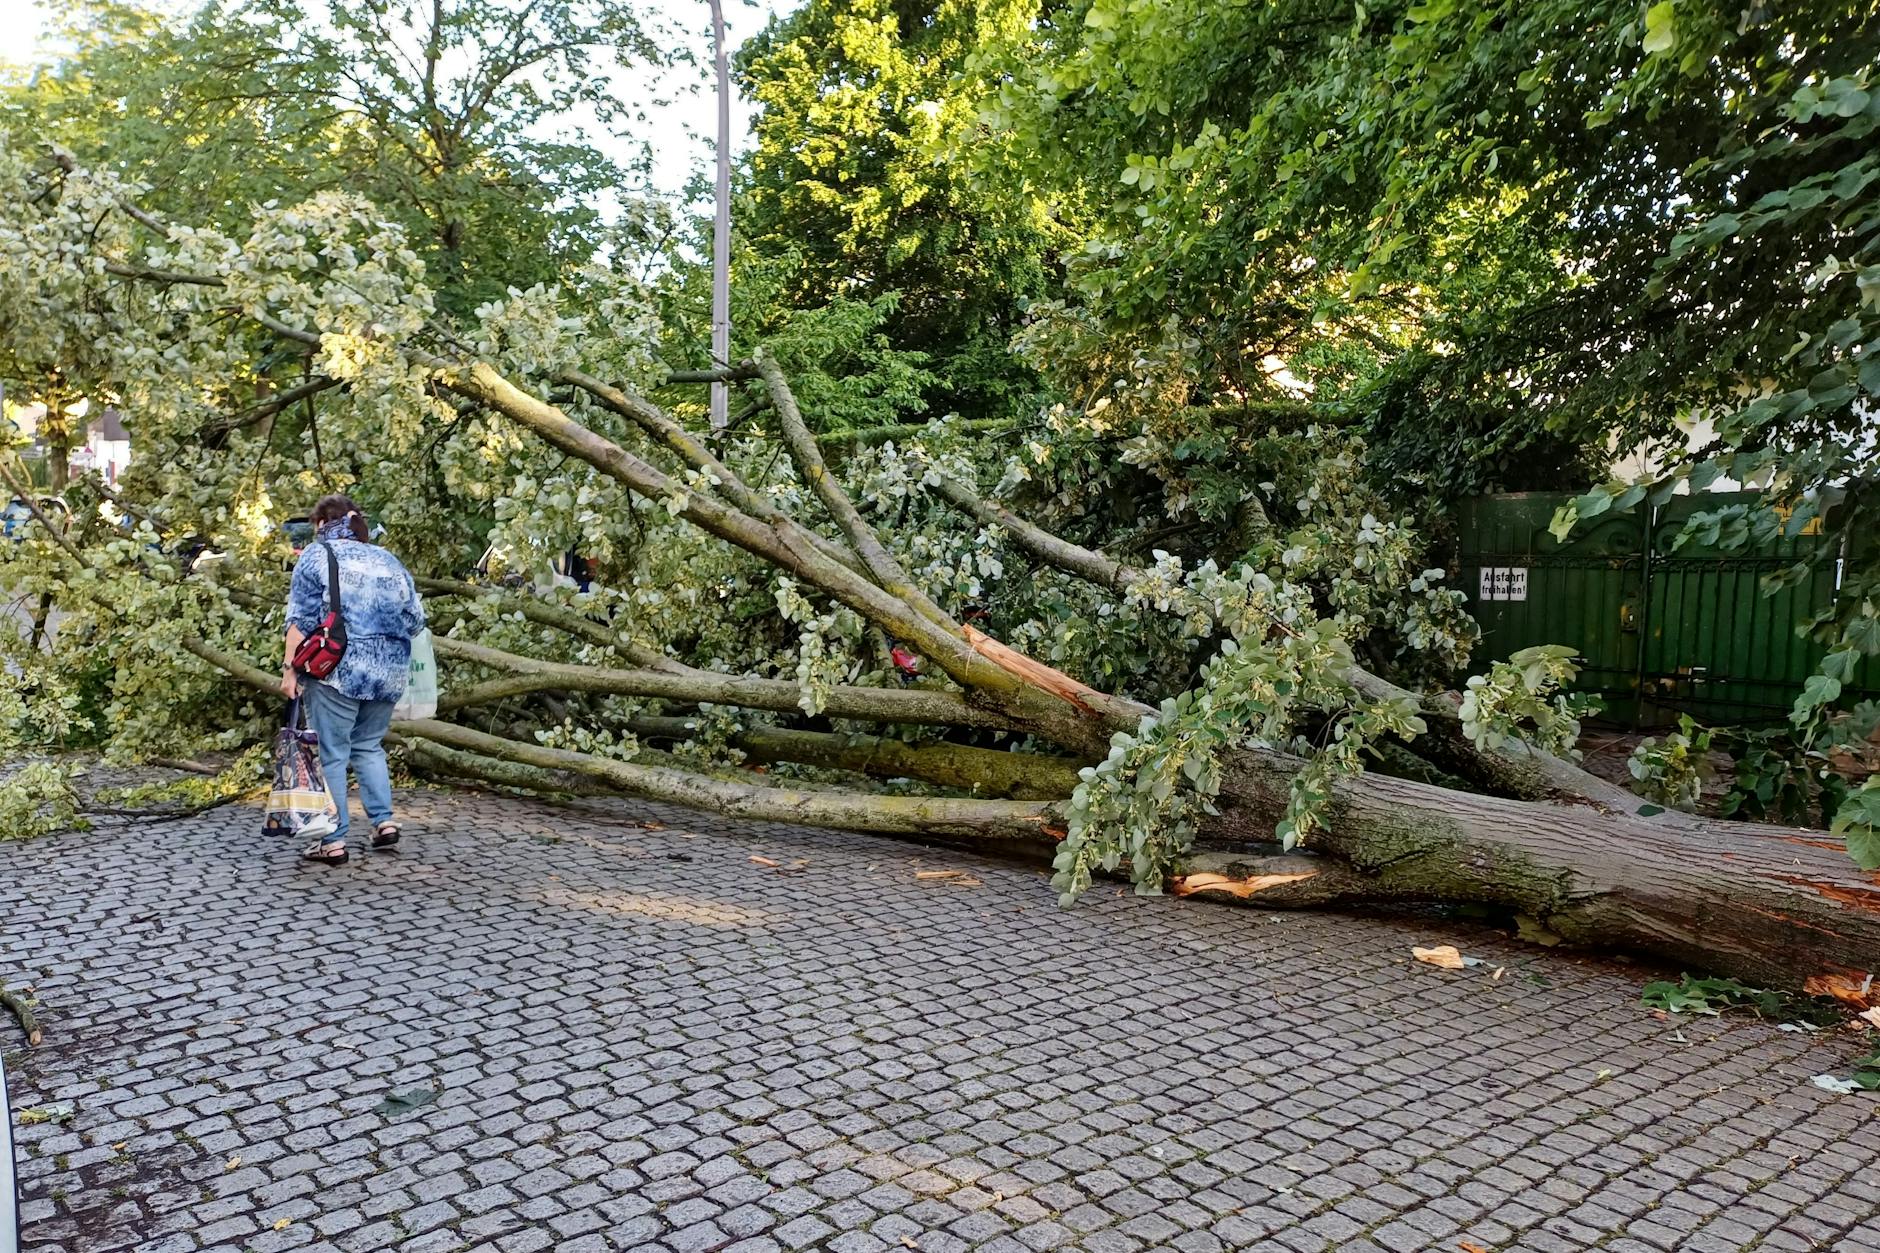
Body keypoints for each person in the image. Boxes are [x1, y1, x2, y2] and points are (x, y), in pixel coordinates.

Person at [281, 494, 425, 865]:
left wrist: (289, 670)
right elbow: (415, 620)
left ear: (320, 525)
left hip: (337, 671)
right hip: (389, 671)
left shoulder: (316, 555)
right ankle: (384, 822)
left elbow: (300, 619)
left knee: (333, 753)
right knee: (369, 746)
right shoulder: (388, 559)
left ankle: (332, 840)